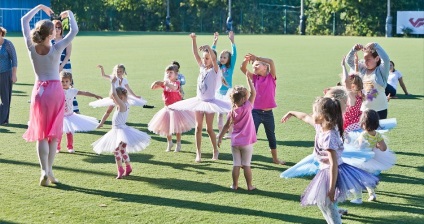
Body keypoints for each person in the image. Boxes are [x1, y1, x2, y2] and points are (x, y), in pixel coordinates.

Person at [281, 97, 379, 224]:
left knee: (328, 204)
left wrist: (331, 189)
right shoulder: (320, 125)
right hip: (326, 170)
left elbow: (333, 164)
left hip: (331, 172)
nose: (312, 114)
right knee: (323, 203)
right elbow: (305, 117)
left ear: (323, 115)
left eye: (315, 112)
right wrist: (291, 113)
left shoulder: (329, 136)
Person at [21, 5, 78, 186]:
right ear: (51, 34)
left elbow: (24, 21)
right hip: (55, 91)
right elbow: (75, 30)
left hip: (39, 91)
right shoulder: (57, 48)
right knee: (53, 135)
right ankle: (50, 170)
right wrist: (68, 14)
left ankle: (44, 171)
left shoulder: (31, 46)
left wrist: (39, 7)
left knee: (41, 135)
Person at [169, 33, 231, 162]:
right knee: (198, 128)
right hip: (198, 102)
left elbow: (214, 59)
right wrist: (194, 40)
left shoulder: (215, 70)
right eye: (204, 58)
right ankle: (199, 153)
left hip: (209, 102)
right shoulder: (202, 68)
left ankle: (215, 149)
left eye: (207, 58)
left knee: (209, 129)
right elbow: (195, 55)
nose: (204, 60)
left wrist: (209, 47)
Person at [92, 77, 150, 179]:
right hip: (121, 130)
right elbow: (113, 96)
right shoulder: (123, 104)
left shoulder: (122, 105)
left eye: (116, 99)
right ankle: (128, 167)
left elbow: (114, 94)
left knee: (116, 151)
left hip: (120, 131)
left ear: (121, 97)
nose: (114, 100)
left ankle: (120, 169)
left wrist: (113, 83)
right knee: (122, 150)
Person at [240, 53, 284, 165]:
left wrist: (257, 58)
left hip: (269, 114)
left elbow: (271, 61)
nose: (254, 67)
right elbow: (243, 68)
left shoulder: (271, 77)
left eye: (257, 65)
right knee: (250, 135)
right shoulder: (254, 77)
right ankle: (245, 159)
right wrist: (246, 60)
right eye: (253, 65)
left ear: (265, 67)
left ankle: (275, 158)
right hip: (255, 112)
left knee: (271, 136)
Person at [217, 70, 256, 191]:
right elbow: (253, 92)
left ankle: (234, 185)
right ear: (244, 98)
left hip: (235, 142)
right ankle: (249, 186)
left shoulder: (232, 112)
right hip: (247, 142)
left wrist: (219, 137)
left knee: (236, 165)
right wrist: (248, 79)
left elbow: (226, 126)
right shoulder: (247, 107)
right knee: (247, 165)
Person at [347, 109, 395, 204]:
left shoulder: (363, 135)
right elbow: (383, 148)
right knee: (367, 178)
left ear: (363, 123)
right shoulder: (377, 135)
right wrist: (376, 145)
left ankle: (358, 198)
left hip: (361, 161)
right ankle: (372, 194)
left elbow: (360, 148)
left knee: (357, 178)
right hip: (371, 160)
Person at [148, 65, 195, 152]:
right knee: (167, 127)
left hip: (176, 109)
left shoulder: (176, 83)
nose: (169, 74)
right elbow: (153, 88)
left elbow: (173, 88)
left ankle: (178, 143)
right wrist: (155, 82)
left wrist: (166, 83)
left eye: (171, 73)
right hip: (167, 109)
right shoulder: (165, 83)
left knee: (177, 128)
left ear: (176, 74)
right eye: (167, 72)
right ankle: (169, 142)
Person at [57, 71, 102, 153]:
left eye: (67, 81)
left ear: (70, 81)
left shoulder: (72, 91)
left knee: (69, 131)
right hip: (60, 116)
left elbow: (84, 92)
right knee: (59, 132)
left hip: (70, 115)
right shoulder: (57, 90)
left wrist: (95, 95)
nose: (64, 83)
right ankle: (57, 147)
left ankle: (70, 147)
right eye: (62, 81)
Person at [346, 42, 390, 119]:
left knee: (380, 131)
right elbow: (349, 61)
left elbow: (386, 59)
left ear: (376, 58)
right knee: (365, 130)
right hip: (364, 109)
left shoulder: (381, 70)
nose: (365, 62)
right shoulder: (363, 68)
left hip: (380, 109)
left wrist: (375, 45)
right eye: (364, 59)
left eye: (368, 59)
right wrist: (354, 49)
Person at [51, 20, 79, 113]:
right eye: (56, 27)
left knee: (68, 86)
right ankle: (58, 109)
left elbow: (68, 54)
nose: (58, 29)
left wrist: (61, 65)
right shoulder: (49, 40)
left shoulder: (66, 39)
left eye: (59, 27)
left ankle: (74, 110)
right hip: (53, 67)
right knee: (55, 87)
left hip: (65, 66)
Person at [212, 31, 237, 135]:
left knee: (229, 114)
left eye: (224, 57)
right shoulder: (217, 67)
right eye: (221, 57)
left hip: (228, 93)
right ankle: (220, 132)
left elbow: (234, 54)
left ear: (229, 59)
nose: (222, 59)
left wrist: (232, 42)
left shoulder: (230, 67)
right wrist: (215, 42)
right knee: (219, 115)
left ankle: (230, 133)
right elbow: (212, 55)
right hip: (218, 93)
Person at [341, 56, 364, 132]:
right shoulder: (360, 93)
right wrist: (356, 64)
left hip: (349, 126)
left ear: (352, 85)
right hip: (358, 123)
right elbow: (357, 77)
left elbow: (345, 81)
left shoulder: (351, 95)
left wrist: (343, 66)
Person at [0, 26, 18, 125]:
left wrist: (14, 74)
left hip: (6, 73)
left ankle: (3, 120)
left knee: (5, 98)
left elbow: (14, 60)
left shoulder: (8, 44)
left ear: (1, 33)